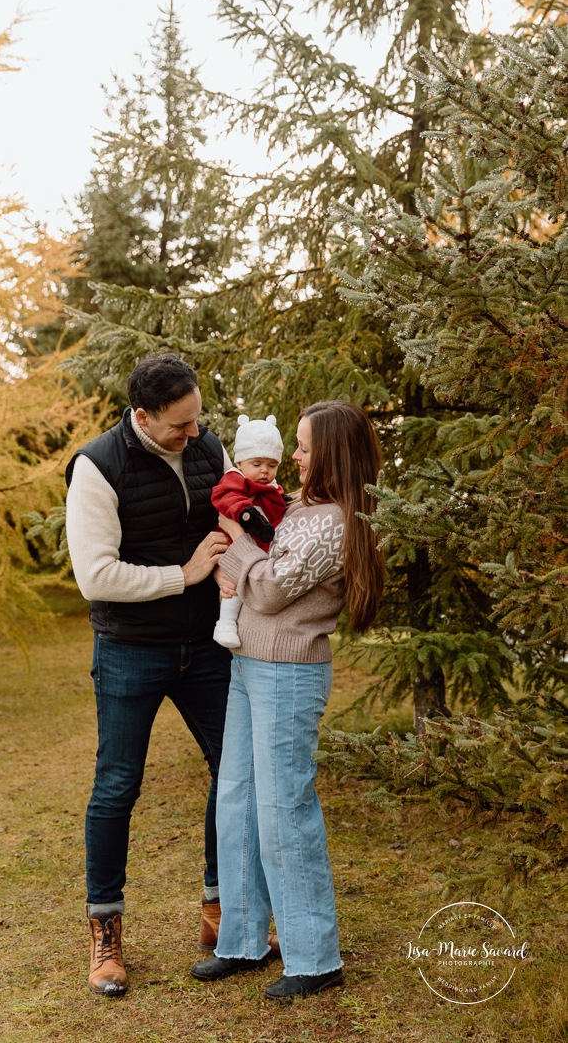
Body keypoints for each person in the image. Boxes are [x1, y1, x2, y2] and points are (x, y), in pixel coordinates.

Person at [191, 400, 385, 1000]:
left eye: (302, 446)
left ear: (331, 452)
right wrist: (245, 539)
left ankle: (314, 956)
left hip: (288, 675)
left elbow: (271, 590)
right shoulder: (302, 508)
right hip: (247, 664)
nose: (293, 457)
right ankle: (242, 940)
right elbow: (264, 565)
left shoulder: (336, 521)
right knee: (238, 799)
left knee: (283, 810)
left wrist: (234, 542)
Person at [65, 352, 233, 997]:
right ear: (142, 415)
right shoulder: (97, 467)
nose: (194, 436)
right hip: (131, 649)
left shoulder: (207, 445)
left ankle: (220, 910)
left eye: (198, 422)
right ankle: (105, 933)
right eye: (179, 426)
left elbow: (233, 514)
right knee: (116, 788)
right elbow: (96, 576)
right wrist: (182, 575)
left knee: (233, 769)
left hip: (207, 648)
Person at [211, 414, 287, 649]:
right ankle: (225, 623)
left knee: (256, 584)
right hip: (235, 543)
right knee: (233, 582)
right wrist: (246, 514)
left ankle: (246, 624)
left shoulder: (271, 487)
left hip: (261, 547)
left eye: (272, 465)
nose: (265, 471)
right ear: (241, 462)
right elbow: (225, 498)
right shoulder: (235, 479)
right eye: (257, 465)